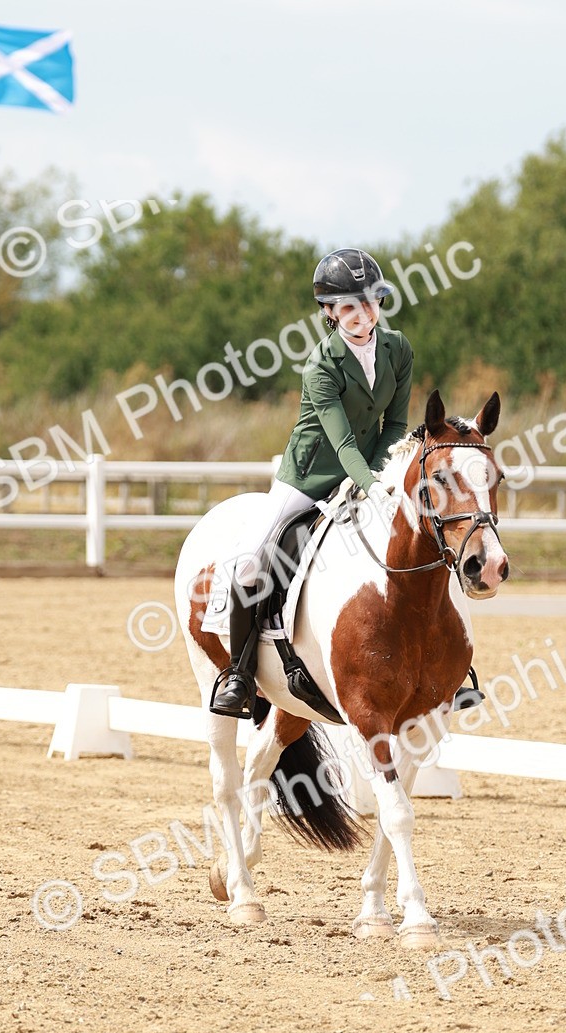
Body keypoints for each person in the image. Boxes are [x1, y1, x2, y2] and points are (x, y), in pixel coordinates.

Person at [210, 247, 411, 719]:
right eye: (349, 305)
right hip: (310, 474)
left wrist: (377, 478)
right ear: (329, 311)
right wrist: (371, 486)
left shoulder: (398, 348)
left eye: (370, 301)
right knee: (250, 562)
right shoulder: (321, 364)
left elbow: (396, 425)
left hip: (369, 468)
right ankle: (238, 674)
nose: (363, 313)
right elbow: (342, 442)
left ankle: (443, 664)